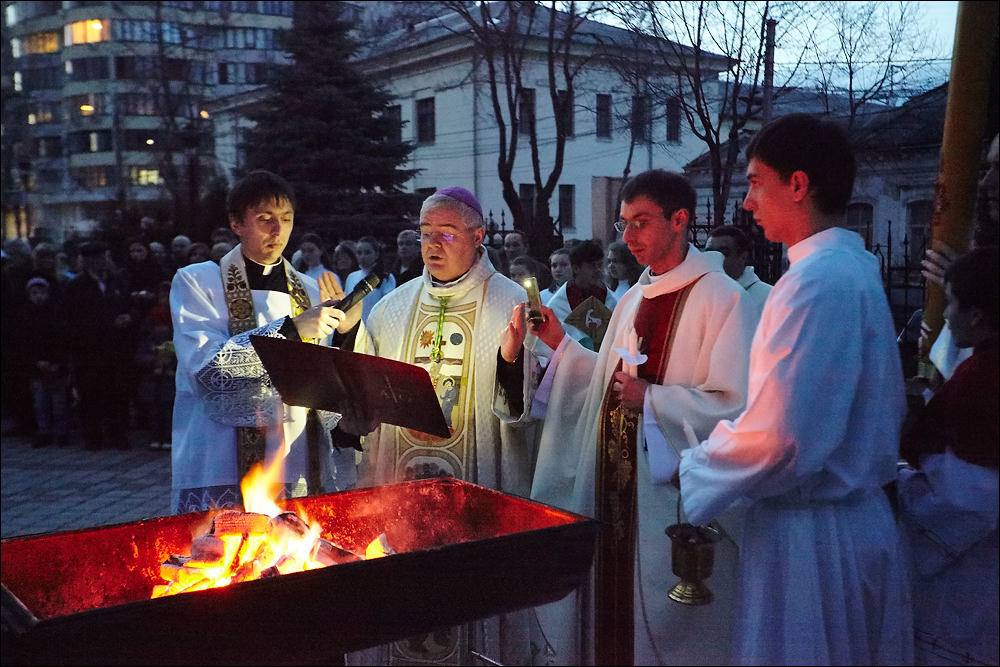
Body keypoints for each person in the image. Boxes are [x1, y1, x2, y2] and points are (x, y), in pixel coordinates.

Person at [677, 113, 913, 665]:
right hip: (844, 522)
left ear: (798, 185)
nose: (747, 202)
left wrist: (694, 468)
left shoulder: (814, 283)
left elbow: (782, 439)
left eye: (757, 182)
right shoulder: (849, 269)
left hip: (815, 543)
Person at [500, 169, 756, 665]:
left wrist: (656, 401)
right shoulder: (635, 297)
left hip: (669, 500)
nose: (629, 236)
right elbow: (607, 383)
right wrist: (563, 346)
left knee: (672, 633)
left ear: (679, 220)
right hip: (616, 490)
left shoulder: (723, 299)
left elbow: (737, 406)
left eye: (641, 222)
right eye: (623, 225)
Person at [351, 186, 537, 667]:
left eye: (446, 234)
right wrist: (351, 417)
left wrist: (512, 362)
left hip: (476, 481)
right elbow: (361, 395)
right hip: (403, 490)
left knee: (469, 602)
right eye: (424, 234)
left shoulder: (507, 301)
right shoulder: (392, 308)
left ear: (478, 237)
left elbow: (522, 409)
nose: (431, 245)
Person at [169, 170, 362, 514]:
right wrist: (291, 330)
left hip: (296, 456)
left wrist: (349, 329)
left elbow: (331, 384)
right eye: (264, 219)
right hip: (222, 456)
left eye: (286, 219)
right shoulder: (198, 281)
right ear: (236, 223)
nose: (278, 230)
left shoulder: (312, 288)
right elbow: (206, 368)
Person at [896, 245, 998, 667]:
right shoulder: (981, 366)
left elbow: (973, 498)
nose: (946, 314)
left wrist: (900, 485)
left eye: (951, 301)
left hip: (973, 568)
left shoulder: (983, 379)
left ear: (975, 316)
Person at [63, 240, 137, 450]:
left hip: (117, 349)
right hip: (89, 351)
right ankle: (93, 436)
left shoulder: (119, 281)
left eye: (104, 257)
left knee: (118, 393)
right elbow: (71, 320)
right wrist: (105, 324)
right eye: (95, 258)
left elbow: (131, 305)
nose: (101, 262)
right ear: (86, 261)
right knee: (90, 394)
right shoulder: (75, 286)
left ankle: (118, 434)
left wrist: (129, 317)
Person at [545, 239, 618, 350]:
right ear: (576, 268)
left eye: (600, 265)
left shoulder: (608, 297)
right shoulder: (559, 303)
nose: (598, 270)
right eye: (592, 266)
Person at [706, 225, 772, 322]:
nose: (715, 259)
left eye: (723, 253)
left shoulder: (769, 297)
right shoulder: (701, 294)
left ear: (743, 257)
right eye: (710, 253)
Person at [345, 235, 396, 324]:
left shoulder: (386, 278)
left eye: (367, 252)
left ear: (376, 254)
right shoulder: (351, 277)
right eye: (359, 253)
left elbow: (388, 307)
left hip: (375, 326)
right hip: (353, 326)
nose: (363, 256)